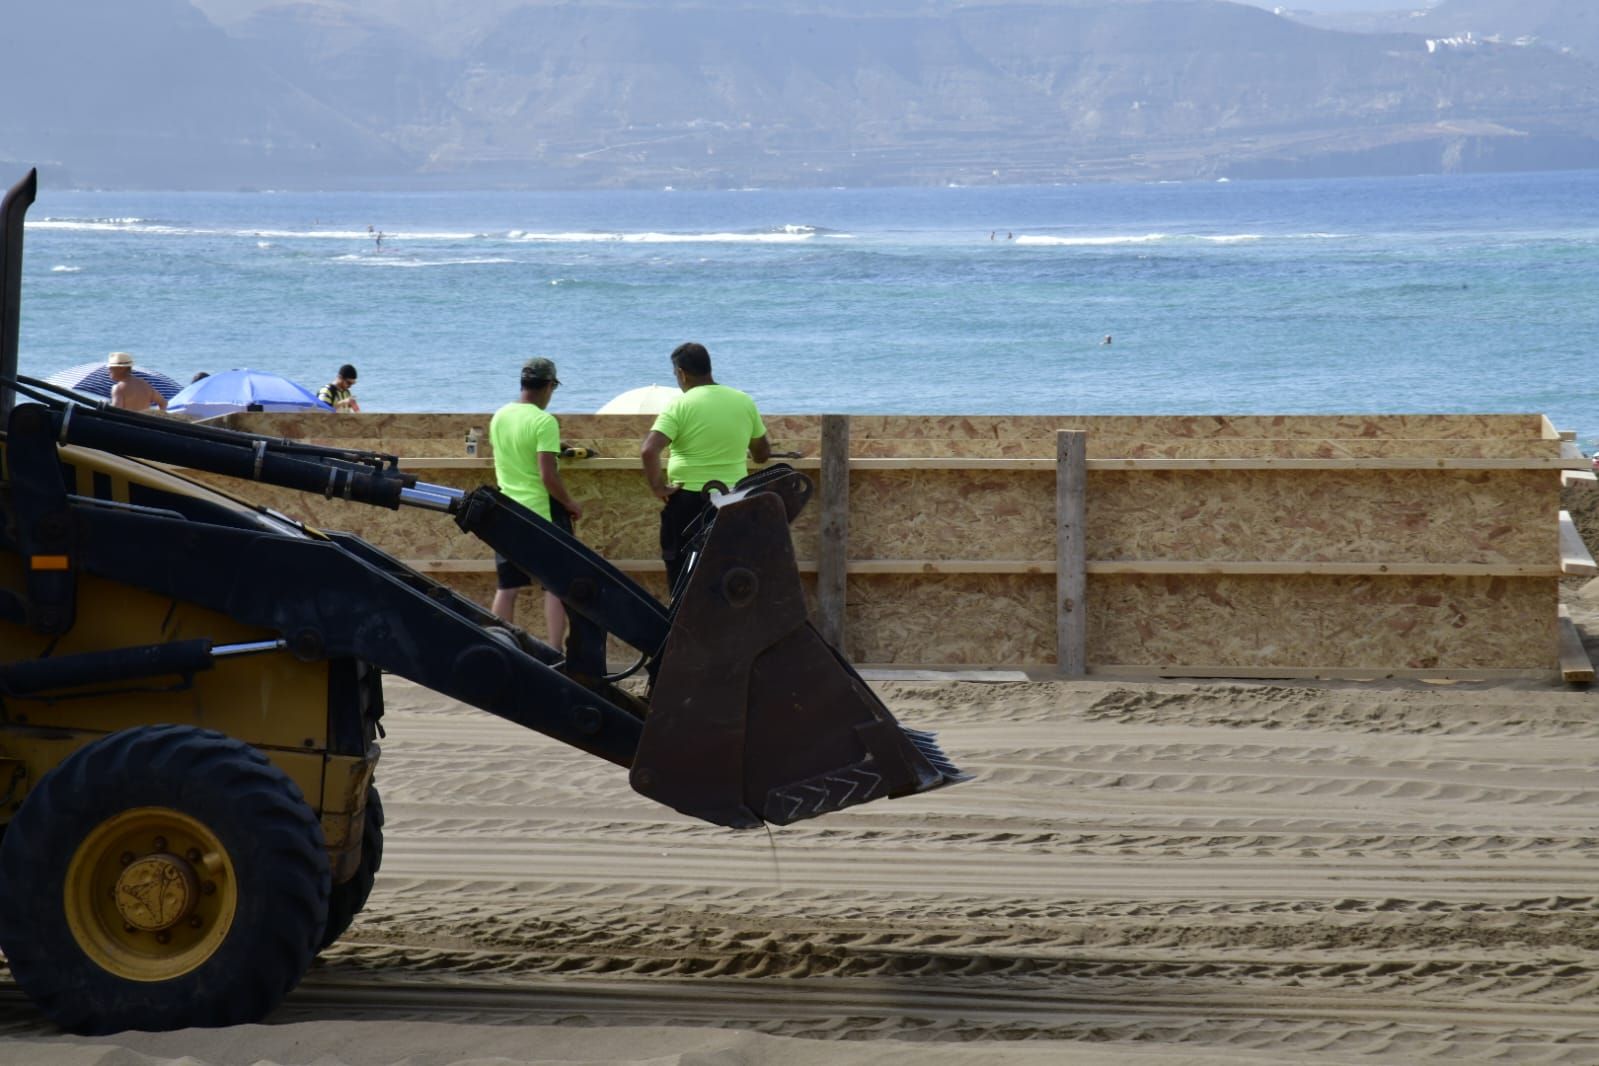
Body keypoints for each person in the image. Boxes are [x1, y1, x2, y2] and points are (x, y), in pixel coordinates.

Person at [639, 342, 770, 589]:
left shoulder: (680, 404)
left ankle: (683, 623)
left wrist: (659, 488)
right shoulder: (743, 401)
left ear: (681, 373)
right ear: (709, 368)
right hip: (732, 498)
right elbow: (762, 453)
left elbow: (649, 450)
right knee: (729, 569)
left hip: (688, 500)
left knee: (681, 571)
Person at [489, 357, 584, 645]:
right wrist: (570, 503)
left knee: (507, 588)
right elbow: (548, 476)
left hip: (506, 513)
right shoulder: (545, 422)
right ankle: (554, 653)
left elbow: (517, 455)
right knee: (555, 587)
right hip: (542, 515)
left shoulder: (500, 416)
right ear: (549, 385)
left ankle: (500, 646)